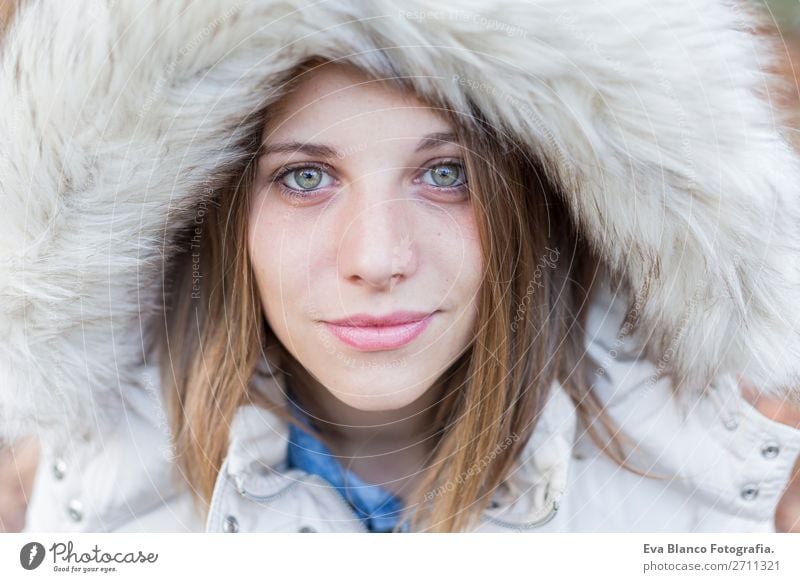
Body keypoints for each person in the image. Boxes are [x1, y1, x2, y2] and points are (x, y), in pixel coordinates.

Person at [2, 0, 800, 533]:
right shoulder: (80, 498)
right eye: (304, 177)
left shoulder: (736, 484)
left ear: (543, 198)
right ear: (216, 216)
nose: (378, 258)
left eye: (447, 173)